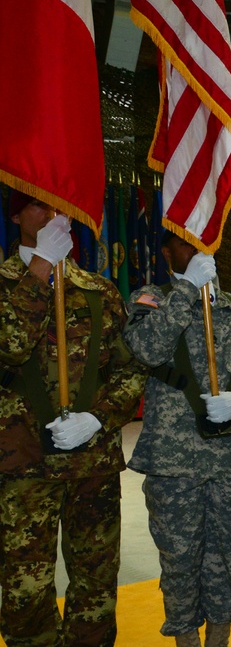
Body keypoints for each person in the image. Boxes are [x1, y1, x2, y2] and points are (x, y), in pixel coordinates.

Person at [0, 190, 146, 646]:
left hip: (92, 467)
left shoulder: (98, 290)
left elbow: (132, 369)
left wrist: (99, 418)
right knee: (26, 592)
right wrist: (40, 266)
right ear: (17, 215)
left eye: (61, 205)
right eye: (39, 205)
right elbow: (9, 346)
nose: (53, 215)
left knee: (95, 590)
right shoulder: (4, 285)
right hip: (23, 467)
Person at [123, 231, 231, 647]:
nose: (197, 251)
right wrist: (187, 288)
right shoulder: (153, 299)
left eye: (206, 244)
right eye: (185, 243)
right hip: (173, 464)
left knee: (227, 561)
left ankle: (218, 642)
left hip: (230, 462)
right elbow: (146, 348)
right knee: (180, 562)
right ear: (165, 252)